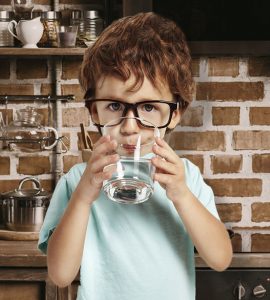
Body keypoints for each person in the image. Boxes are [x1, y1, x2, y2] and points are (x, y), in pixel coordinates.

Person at [38, 12, 232, 300]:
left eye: (149, 108)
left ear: (174, 114)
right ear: (94, 110)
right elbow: (60, 274)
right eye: (115, 106)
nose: (130, 126)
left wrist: (180, 194)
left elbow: (220, 259)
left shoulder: (185, 177)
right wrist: (83, 197)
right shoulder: (78, 180)